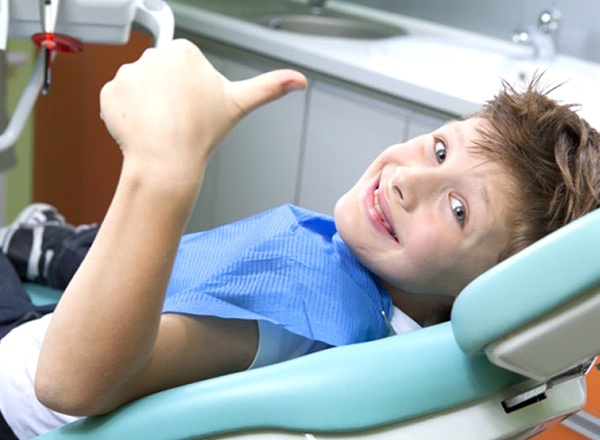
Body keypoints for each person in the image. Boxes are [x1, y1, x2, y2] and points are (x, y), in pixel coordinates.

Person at [0, 38, 598, 439]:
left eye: (460, 209)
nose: (407, 180)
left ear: (482, 287)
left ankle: (54, 247)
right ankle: (61, 249)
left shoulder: (298, 317)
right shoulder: (381, 311)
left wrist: (162, 170)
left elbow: (70, 383)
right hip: (41, 333)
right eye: (440, 149)